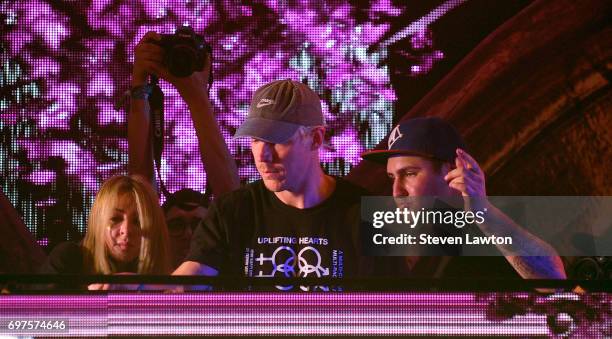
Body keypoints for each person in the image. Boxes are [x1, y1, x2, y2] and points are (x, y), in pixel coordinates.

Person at [173, 79, 377, 289]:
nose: (262, 155)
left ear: (315, 139)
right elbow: (193, 276)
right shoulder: (231, 209)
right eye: (255, 139)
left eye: (277, 140)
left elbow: (396, 305)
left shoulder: (373, 215)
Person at [361, 117, 567, 279]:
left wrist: (484, 215)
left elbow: (554, 281)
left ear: (452, 169)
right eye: (392, 177)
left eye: (409, 173)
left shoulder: (499, 223)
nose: (397, 191)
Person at [128, 31, 240, 268]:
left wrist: (197, 95)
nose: (189, 235)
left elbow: (231, 201)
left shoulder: (227, 259)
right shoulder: (147, 269)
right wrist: (139, 86)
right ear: (158, 230)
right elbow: (141, 186)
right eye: (176, 226)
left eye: (200, 225)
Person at [39, 175, 171, 289]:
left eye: (138, 221)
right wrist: (88, 301)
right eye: (116, 219)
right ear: (99, 222)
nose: (126, 231)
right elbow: (33, 314)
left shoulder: (164, 275)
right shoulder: (68, 259)